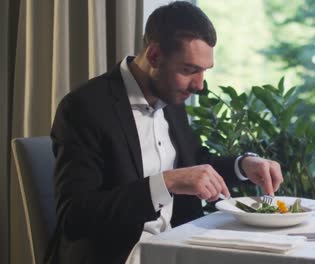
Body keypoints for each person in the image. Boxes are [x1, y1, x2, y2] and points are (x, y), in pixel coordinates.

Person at [45, 2, 283, 263]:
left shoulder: (171, 99)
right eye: (189, 70)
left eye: (204, 71)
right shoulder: (85, 107)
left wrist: (243, 165)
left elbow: (193, 167)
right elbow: (76, 216)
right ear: (155, 56)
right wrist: (166, 183)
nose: (200, 85)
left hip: (176, 249)